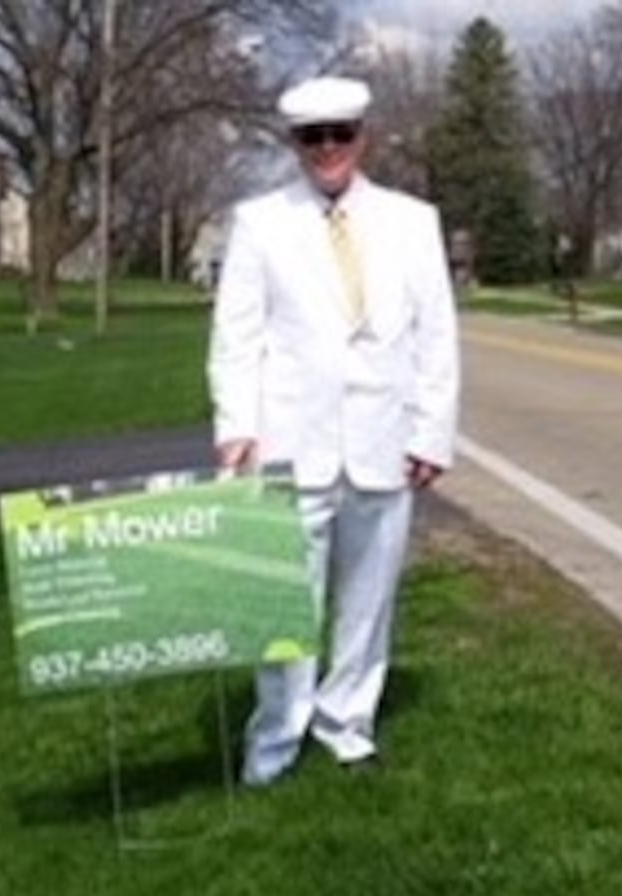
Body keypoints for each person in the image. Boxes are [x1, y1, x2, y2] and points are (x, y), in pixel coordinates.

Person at [207, 75, 460, 786]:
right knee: (284, 603)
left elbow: (436, 336)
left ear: (363, 137)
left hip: (384, 443)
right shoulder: (259, 222)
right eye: (311, 138)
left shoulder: (414, 221)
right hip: (290, 444)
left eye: (339, 135)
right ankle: (277, 738)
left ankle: (347, 724)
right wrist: (237, 429)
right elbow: (236, 337)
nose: (327, 150)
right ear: (294, 144)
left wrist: (432, 432)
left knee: (368, 600)